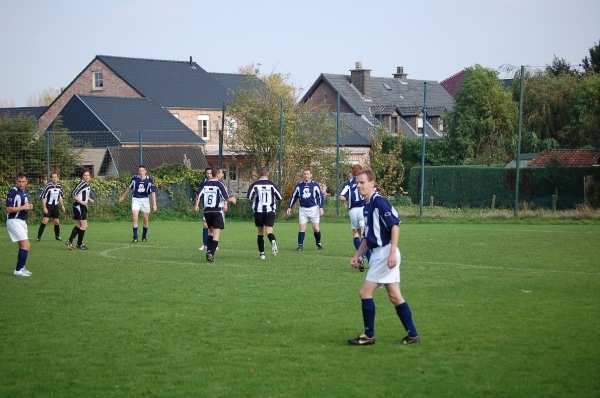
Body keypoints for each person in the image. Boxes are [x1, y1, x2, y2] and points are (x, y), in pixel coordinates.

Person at [348, 170, 420, 346]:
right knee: (395, 297)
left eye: (362, 182)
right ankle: (413, 335)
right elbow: (368, 237)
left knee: (365, 292)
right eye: (357, 183)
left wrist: (393, 251)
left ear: (372, 183)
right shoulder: (367, 206)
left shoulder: (379, 201)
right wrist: (357, 255)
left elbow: (394, 225)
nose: (359, 186)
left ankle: (368, 335)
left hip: (385, 253)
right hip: (379, 253)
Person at [194, 167, 236, 262]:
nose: (222, 175)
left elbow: (199, 195)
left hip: (207, 212)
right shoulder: (220, 184)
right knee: (216, 235)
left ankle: (208, 250)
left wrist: (196, 205)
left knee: (211, 233)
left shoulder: (205, 184)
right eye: (221, 174)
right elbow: (226, 197)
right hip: (217, 211)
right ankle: (210, 254)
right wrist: (232, 199)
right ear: (217, 175)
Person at [247, 167, 283, 259]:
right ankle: (272, 241)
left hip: (258, 211)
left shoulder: (255, 185)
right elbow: (279, 197)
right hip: (269, 211)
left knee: (260, 232)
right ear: (268, 174)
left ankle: (262, 254)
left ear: (259, 174)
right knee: (269, 232)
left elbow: (249, 196)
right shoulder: (272, 185)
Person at [339, 164, 369, 272]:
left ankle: (361, 257)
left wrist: (348, 202)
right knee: (365, 237)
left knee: (356, 234)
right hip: (363, 210)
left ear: (352, 172)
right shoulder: (364, 181)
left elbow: (342, 197)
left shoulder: (349, 183)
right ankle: (365, 258)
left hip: (353, 211)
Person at [286, 167, 325, 251]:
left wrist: (321, 207)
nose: (306, 175)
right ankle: (300, 246)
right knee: (302, 227)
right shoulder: (299, 185)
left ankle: (318, 243)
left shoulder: (315, 185)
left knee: (316, 228)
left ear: (311, 175)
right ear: (303, 175)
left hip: (314, 209)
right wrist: (289, 207)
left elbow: (321, 197)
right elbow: (294, 197)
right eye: (305, 174)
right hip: (303, 209)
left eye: (308, 174)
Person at [118, 165, 158, 243]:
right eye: (139, 171)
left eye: (142, 170)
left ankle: (144, 237)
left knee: (145, 219)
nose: (141, 172)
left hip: (145, 200)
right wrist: (123, 196)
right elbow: (129, 188)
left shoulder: (149, 180)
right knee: (135, 217)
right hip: (136, 199)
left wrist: (154, 204)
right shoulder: (135, 179)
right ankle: (135, 238)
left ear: (145, 171)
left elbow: (153, 193)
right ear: (138, 172)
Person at [6, 173, 34, 277]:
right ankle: (18, 270)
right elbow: (8, 209)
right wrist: (24, 207)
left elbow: (25, 206)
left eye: (23, 182)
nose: (21, 184)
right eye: (19, 181)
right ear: (16, 181)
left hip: (22, 221)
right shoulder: (13, 192)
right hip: (14, 221)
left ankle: (21, 267)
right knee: (26, 245)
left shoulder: (24, 192)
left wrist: (29, 206)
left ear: (26, 182)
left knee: (22, 246)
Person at [66, 169, 94, 251]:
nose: (86, 177)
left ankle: (70, 241)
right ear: (82, 176)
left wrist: (89, 199)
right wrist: (81, 201)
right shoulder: (81, 184)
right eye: (85, 175)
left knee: (79, 225)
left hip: (82, 207)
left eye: (88, 175)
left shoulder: (87, 184)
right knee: (84, 225)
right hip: (78, 206)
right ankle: (79, 244)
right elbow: (73, 194)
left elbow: (82, 194)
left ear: (90, 176)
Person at [36, 172, 66, 242]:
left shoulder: (59, 186)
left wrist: (62, 206)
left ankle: (57, 237)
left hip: (55, 207)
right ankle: (39, 237)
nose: (54, 178)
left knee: (56, 222)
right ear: (51, 178)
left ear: (58, 178)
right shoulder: (48, 186)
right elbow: (43, 197)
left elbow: (60, 197)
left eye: (56, 177)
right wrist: (44, 207)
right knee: (44, 221)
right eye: (53, 177)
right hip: (48, 206)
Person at [196, 167, 212, 251]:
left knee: (214, 227)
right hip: (206, 207)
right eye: (207, 173)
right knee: (205, 225)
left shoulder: (216, 182)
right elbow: (199, 194)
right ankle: (205, 244)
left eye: (210, 173)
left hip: (216, 208)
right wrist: (197, 205)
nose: (209, 175)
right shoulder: (204, 182)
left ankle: (214, 244)